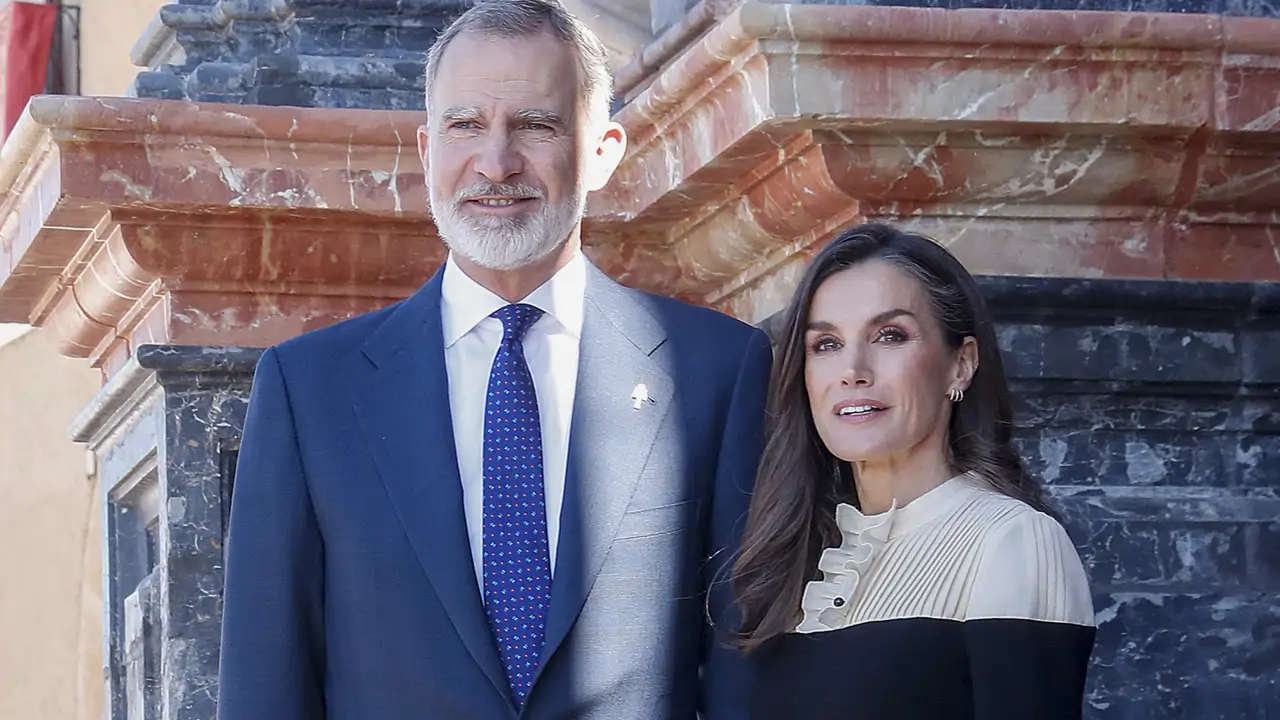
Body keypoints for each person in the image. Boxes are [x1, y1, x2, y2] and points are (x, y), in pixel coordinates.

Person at [215, 1, 771, 718]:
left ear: (602, 151)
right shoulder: (309, 391)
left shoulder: (715, 372)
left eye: (535, 125)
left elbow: (746, 675)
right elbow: (265, 688)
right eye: (465, 125)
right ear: (426, 152)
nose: (496, 161)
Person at [732, 223, 1096, 719]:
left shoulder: (1012, 541)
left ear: (960, 364)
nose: (853, 369)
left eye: (889, 335)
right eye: (826, 344)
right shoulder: (799, 556)